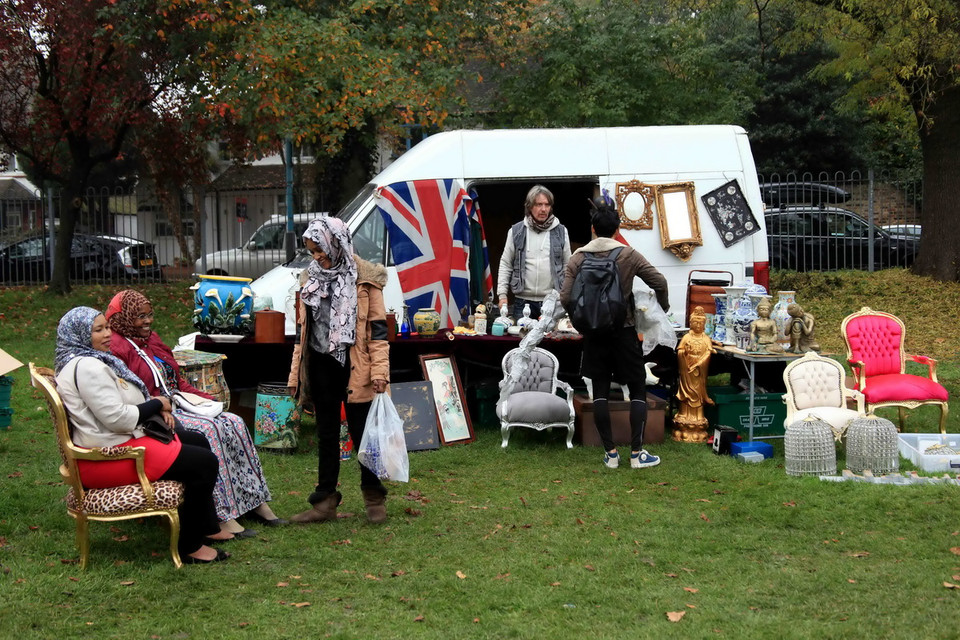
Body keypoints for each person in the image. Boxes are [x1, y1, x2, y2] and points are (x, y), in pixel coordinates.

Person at [54, 306, 230, 564]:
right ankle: (191, 547)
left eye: (107, 327)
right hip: (107, 458)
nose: (107, 334)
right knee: (205, 464)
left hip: (114, 445)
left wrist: (153, 407)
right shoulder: (88, 367)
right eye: (98, 330)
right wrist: (158, 404)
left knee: (197, 440)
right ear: (80, 334)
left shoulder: (83, 360)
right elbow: (117, 419)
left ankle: (207, 527)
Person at [106, 290, 285, 533]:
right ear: (124, 318)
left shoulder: (151, 340)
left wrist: (205, 399)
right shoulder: (116, 349)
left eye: (149, 315)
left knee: (233, 421)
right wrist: (158, 407)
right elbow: (129, 395)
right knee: (209, 431)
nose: (148, 321)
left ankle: (254, 501)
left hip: (179, 403)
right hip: (154, 415)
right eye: (139, 316)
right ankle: (220, 513)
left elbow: (177, 381)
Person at [287, 217, 391, 524]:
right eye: (311, 251)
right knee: (327, 435)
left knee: (364, 436)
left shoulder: (366, 278)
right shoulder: (309, 279)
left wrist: (380, 372)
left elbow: (379, 331)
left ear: (335, 242)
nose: (317, 256)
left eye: (320, 249)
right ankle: (325, 502)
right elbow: (301, 333)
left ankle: (374, 497)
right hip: (320, 364)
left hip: (356, 366)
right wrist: (296, 375)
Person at [560, 201, 669, 469]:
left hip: (595, 333)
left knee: (598, 391)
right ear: (617, 228)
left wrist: (581, 320)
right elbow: (659, 282)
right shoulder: (628, 255)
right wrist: (662, 308)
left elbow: (565, 296)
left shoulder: (578, 256)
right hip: (624, 331)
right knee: (637, 388)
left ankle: (610, 454)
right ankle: (637, 453)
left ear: (593, 229)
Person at [497, 185, 572, 320]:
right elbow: (506, 264)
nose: (543, 209)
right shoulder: (516, 231)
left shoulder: (561, 231)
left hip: (552, 302)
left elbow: (568, 266)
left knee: (552, 340)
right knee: (522, 340)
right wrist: (502, 296)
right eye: (538, 204)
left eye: (547, 204)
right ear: (530, 206)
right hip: (522, 302)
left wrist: (566, 298)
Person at [673, 306, 715, 442]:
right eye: (695, 322)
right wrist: (684, 355)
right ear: (690, 323)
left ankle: (698, 419)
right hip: (687, 372)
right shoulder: (686, 337)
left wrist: (698, 364)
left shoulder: (705, 338)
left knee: (698, 393)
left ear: (704, 325)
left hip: (699, 372)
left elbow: (709, 352)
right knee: (686, 394)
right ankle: (684, 415)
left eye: (701, 323)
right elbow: (679, 350)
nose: (698, 325)